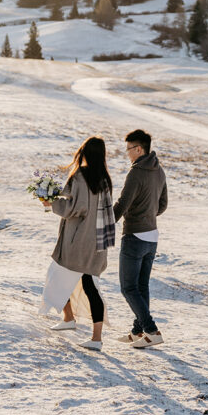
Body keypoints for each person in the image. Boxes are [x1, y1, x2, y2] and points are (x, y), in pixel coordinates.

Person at [39, 136, 115, 351]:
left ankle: (72, 321)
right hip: (97, 243)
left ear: (84, 152)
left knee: (56, 276)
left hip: (77, 242)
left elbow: (75, 208)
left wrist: (50, 203)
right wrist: (54, 196)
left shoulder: (81, 175)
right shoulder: (104, 179)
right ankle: (89, 332)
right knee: (91, 287)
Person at [114, 128, 168, 349]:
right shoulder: (159, 171)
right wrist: (147, 216)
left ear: (138, 148)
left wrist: (103, 223)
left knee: (128, 287)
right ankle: (138, 331)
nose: (127, 154)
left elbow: (122, 204)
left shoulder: (136, 172)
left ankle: (151, 330)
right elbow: (162, 205)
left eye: (128, 150)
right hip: (152, 236)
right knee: (141, 285)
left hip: (135, 235)